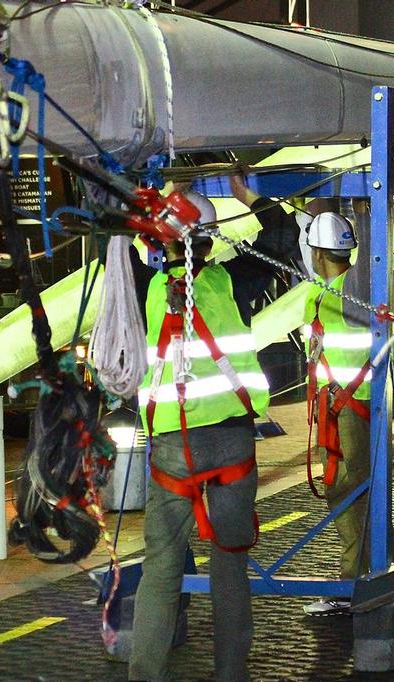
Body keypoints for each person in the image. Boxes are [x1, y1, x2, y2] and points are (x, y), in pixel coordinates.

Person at [128, 176, 298, 682]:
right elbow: (283, 239)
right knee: (229, 568)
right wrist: (247, 193)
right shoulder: (233, 282)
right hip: (230, 445)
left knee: (159, 573)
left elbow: (120, 242)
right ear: (209, 241)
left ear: (163, 239)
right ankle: (230, 676)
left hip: (171, 451)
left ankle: (145, 675)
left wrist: (158, 198)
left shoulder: (145, 287)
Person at [301, 205, 394, 617]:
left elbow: (373, 252)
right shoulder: (325, 288)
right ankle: (386, 566)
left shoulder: (354, 287)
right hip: (345, 406)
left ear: (319, 255)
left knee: (346, 491)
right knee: (366, 488)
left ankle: (350, 586)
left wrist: (365, 212)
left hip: (348, 409)